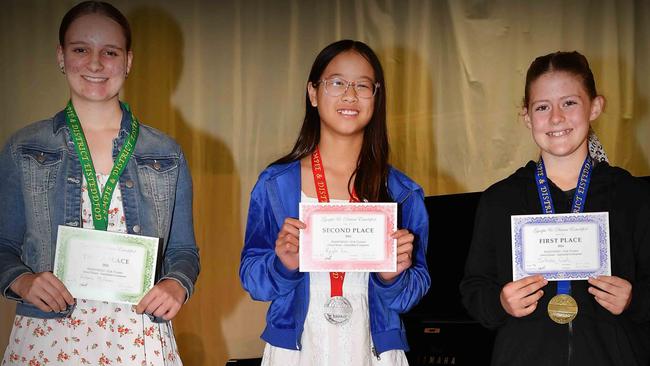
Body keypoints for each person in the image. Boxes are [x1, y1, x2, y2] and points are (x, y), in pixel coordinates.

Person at [0, 2, 199, 365]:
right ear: (61, 56)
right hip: (48, 339)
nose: (95, 64)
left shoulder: (166, 152)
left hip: (138, 336)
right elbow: (3, 244)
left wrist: (176, 285)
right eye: (81, 50)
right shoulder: (23, 148)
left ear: (128, 61)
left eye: (110, 52)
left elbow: (184, 252)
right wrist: (22, 281)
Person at [239, 39, 430, 365]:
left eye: (363, 85)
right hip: (297, 349)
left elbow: (414, 290)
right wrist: (282, 264)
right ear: (313, 93)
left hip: (374, 349)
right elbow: (253, 279)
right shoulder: (276, 184)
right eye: (337, 82)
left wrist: (393, 276)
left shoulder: (402, 192)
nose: (350, 95)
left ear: (377, 96)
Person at [460, 51, 650, 365]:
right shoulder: (500, 199)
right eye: (542, 107)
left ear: (595, 107)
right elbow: (473, 288)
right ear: (527, 117)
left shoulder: (633, 196)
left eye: (570, 103)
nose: (556, 117)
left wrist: (635, 300)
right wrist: (500, 303)